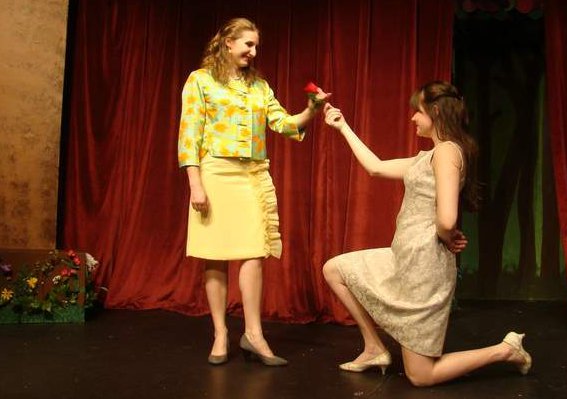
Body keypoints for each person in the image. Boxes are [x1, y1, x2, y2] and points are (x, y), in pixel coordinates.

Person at [321, 81, 532, 386]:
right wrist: (343, 128)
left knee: (421, 376)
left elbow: (446, 218)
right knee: (335, 269)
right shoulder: (427, 156)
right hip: (404, 259)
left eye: (417, 113)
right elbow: (376, 167)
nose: (412, 119)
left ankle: (505, 350)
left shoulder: (447, 152)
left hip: (423, 267)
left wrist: (448, 236)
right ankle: (374, 348)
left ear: (435, 112)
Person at [177, 17, 329, 366]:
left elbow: (284, 125)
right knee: (214, 255)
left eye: (256, 45)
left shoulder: (259, 86)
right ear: (228, 43)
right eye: (248, 44)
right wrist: (195, 183)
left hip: (250, 175)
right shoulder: (200, 81)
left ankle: (254, 334)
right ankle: (220, 333)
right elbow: (189, 134)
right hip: (214, 170)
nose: (253, 51)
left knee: (253, 252)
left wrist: (311, 109)